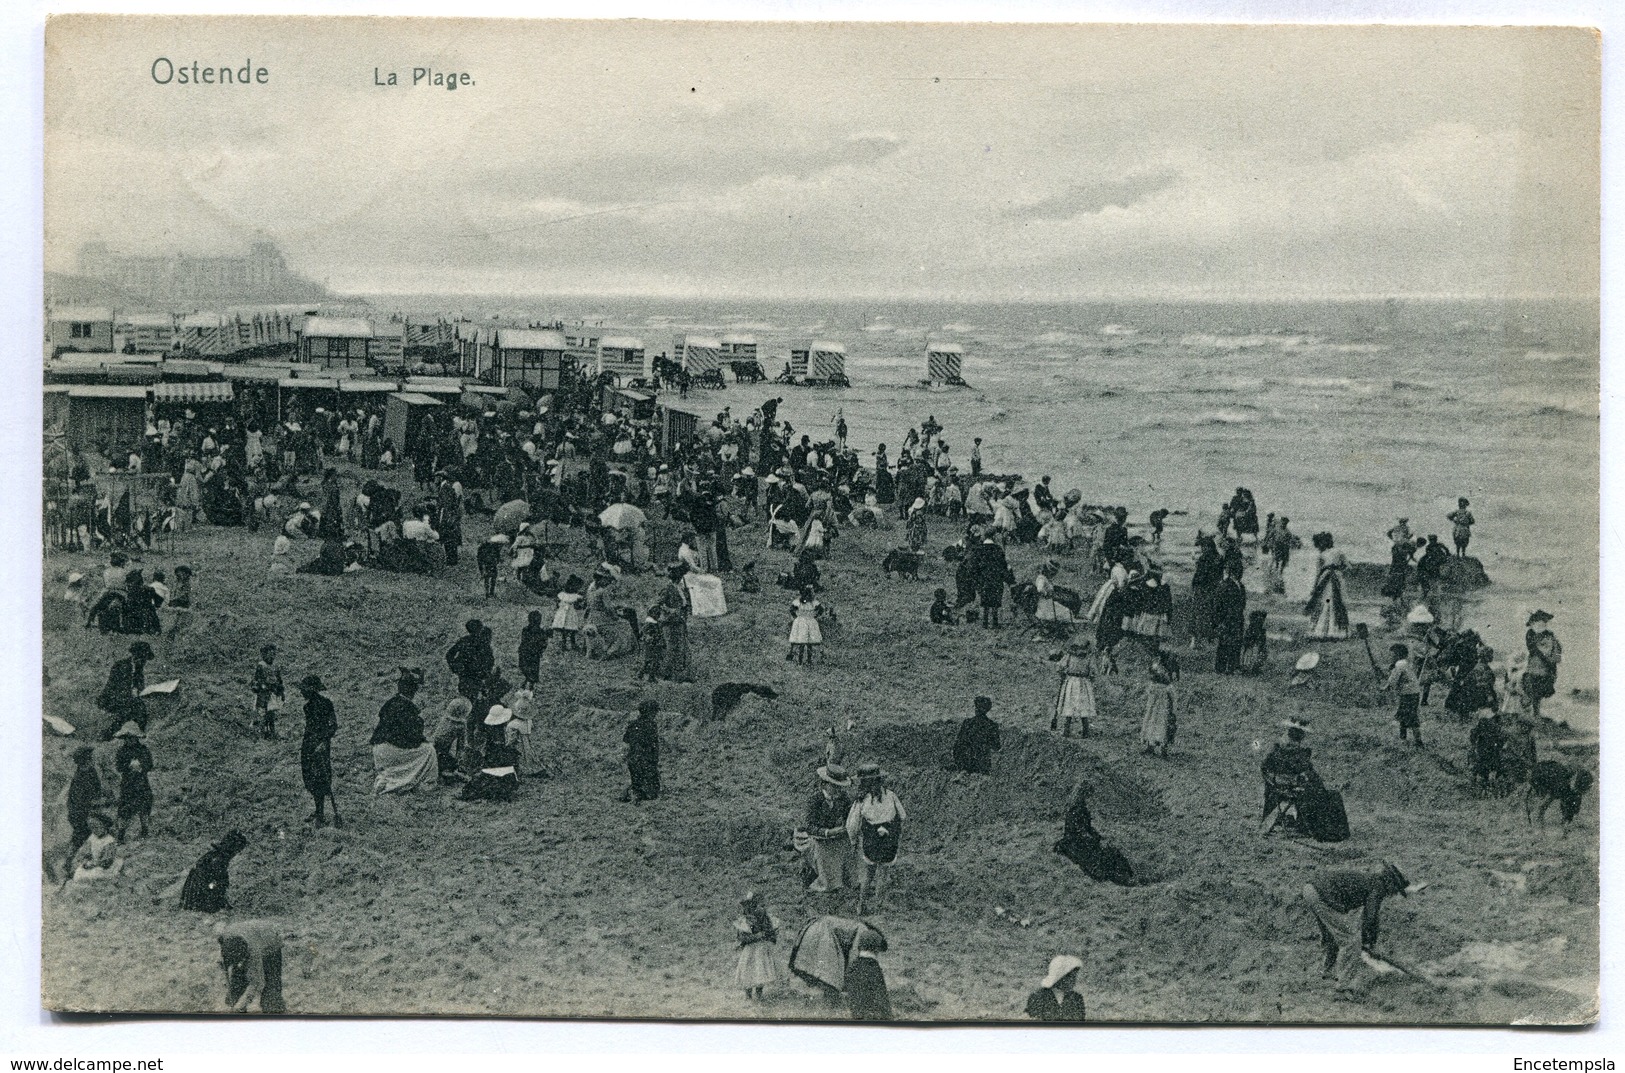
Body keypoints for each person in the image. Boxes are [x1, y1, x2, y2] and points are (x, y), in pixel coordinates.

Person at [1302, 862, 1420, 990]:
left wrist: (1370, 941)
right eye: (1396, 889)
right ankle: (1344, 988)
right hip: (1322, 895)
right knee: (1351, 940)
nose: (1394, 893)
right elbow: (1370, 917)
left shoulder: (1371, 881)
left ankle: (1327, 972)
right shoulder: (1378, 887)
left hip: (1311, 890)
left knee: (1333, 935)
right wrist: (1367, 941)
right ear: (1390, 883)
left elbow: (1369, 917)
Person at [846, 762, 906, 913]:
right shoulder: (891, 796)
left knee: (868, 873)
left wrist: (853, 841)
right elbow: (903, 815)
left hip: (871, 840)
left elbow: (852, 825)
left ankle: (861, 904)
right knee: (883, 874)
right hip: (889, 839)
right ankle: (879, 905)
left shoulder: (861, 801)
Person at [370, 670, 438, 794]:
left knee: (396, 766)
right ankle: (420, 784)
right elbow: (411, 736)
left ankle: (386, 780)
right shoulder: (406, 707)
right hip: (391, 750)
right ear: (412, 690)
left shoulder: (391, 702)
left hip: (379, 750)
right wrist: (423, 739)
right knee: (429, 750)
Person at [798, 764, 857, 900]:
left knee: (849, 845)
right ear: (824, 785)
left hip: (836, 836)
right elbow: (809, 825)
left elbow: (849, 816)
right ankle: (827, 881)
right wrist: (827, 832)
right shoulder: (814, 800)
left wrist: (845, 827)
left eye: (839, 786)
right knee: (822, 851)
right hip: (816, 837)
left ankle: (849, 879)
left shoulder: (843, 798)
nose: (837, 790)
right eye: (834, 786)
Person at [1260, 719, 1323, 833]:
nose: (1296, 739)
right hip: (1278, 784)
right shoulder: (1276, 749)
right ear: (1288, 733)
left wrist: (1307, 776)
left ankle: (1306, 823)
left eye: (1299, 736)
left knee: (1316, 789)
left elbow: (1307, 769)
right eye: (1293, 735)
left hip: (1294, 784)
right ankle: (1300, 824)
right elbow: (1265, 769)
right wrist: (1280, 780)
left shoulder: (1302, 752)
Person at [216, 920, 286, 1014]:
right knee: (237, 981)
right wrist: (222, 962)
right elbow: (219, 928)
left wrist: (241, 1005)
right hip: (251, 933)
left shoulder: (254, 952)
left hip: (271, 942)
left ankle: (273, 1012)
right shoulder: (224, 937)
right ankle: (234, 1009)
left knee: (270, 984)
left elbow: (257, 983)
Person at [297, 674, 340, 827]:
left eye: (304, 689)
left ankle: (321, 814)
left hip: (321, 745)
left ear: (312, 690)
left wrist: (323, 742)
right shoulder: (307, 707)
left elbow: (333, 725)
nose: (301, 692)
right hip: (308, 745)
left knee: (320, 777)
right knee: (309, 776)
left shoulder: (326, 704)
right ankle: (318, 810)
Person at [180, 830, 249, 913]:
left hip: (195, 890)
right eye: (238, 849)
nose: (237, 853)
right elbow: (214, 883)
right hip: (200, 893)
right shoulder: (218, 859)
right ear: (233, 847)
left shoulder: (214, 855)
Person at [733, 892, 785, 1001]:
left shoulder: (764, 917)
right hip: (750, 949)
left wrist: (767, 936)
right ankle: (748, 995)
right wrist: (756, 936)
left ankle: (759, 994)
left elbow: (770, 932)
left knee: (760, 971)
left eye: (760, 905)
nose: (758, 908)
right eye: (754, 905)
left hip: (761, 948)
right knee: (748, 971)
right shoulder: (744, 920)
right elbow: (741, 937)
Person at [97, 642, 151, 739]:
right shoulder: (121, 666)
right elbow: (114, 687)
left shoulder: (139, 670)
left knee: (138, 707)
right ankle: (108, 735)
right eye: (142, 658)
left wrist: (141, 692)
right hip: (111, 698)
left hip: (126, 698)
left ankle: (137, 731)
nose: (144, 662)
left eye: (145, 660)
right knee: (131, 709)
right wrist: (132, 695)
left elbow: (139, 686)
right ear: (136, 656)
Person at [112, 722, 154, 841]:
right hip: (128, 783)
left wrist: (141, 766)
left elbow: (150, 765)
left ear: (136, 738)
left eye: (132, 738)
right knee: (124, 808)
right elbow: (119, 767)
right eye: (127, 738)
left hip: (141, 782)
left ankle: (144, 831)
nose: (129, 740)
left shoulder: (143, 749)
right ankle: (121, 835)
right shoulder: (121, 751)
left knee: (144, 806)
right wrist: (129, 766)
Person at [1305, 533, 1350, 640]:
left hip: (1328, 579)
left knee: (1329, 602)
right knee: (1332, 602)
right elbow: (1348, 567)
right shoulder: (1336, 552)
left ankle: (1326, 631)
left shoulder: (1325, 554)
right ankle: (1333, 631)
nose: (1320, 545)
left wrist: (1314, 587)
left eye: (1321, 543)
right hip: (1332, 579)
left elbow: (1318, 573)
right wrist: (1338, 571)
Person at [1050, 639, 1097, 738]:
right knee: (1083, 706)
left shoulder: (1069, 656)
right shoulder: (1088, 657)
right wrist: (1090, 678)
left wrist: (1063, 674)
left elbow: (1059, 667)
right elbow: (1093, 671)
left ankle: (1067, 731)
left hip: (1071, 682)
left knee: (1069, 705)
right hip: (1083, 683)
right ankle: (1085, 731)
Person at [1140, 646, 1180, 758]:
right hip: (1159, 705)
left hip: (1160, 706)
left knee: (1158, 724)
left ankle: (1159, 749)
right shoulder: (1164, 686)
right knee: (1157, 724)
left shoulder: (1161, 685)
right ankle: (1154, 748)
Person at [65, 746, 103, 862]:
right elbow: (78, 800)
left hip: (89, 811)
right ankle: (69, 861)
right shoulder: (79, 778)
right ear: (84, 761)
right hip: (79, 813)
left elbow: (97, 790)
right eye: (90, 758)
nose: (93, 760)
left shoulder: (92, 771)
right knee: (79, 837)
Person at [845, 928, 893, 1021]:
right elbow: (881, 996)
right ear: (876, 948)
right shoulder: (874, 968)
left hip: (856, 1014)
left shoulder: (853, 966)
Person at [1523, 611, 1562, 720]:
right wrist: (1546, 658)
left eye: (1545, 621)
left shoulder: (1549, 634)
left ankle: (1536, 713)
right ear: (1534, 622)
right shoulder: (1530, 633)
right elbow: (1532, 649)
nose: (1543, 623)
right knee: (1534, 688)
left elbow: (1557, 647)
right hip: (1536, 665)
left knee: (1542, 689)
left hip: (1547, 667)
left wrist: (1554, 658)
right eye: (1540, 620)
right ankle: (1534, 712)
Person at [1383, 643, 1424, 746]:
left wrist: (1386, 687)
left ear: (1398, 654)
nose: (1390, 657)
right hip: (1413, 693)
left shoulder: (1400, 664)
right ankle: (1405, 739)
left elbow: (1393, 680)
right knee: (1404, 716)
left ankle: (1417, 742)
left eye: (1392, 655)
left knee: (1410, 718)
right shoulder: (1405, 663)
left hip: (1408, 694)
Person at [1025, 955, 1087, 1021]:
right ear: (1060, 977)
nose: (1074, 980)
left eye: (1074, 977)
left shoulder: (1077, 999)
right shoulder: (1038, 997)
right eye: (1070, 977)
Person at [622, 699, 662, 803]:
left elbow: (626, 739)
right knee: (652, 790)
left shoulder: (633, 724)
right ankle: (635, 794)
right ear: (649, 712)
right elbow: (653, 743)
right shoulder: (651, 725)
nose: (655, 714)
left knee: (638, 782)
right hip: (645, 759)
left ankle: (633, 793)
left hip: (634, 759)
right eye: (654, 712)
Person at [951, 696, 1002, 775]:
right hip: (982, 764)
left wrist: (959, 762)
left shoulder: (967, 723)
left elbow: (958, 745)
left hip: (967, 764)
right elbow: (996, 746)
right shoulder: (992, 725)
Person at [446, 619, 496, 699]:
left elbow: (490, 660)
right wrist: (455, 666)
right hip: (466, 676)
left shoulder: (484, 644)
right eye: (478, 629)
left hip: (477, 676)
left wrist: (486, 673)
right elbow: (449, 655)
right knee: (468, 698)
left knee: (474, 699)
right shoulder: (465, 641)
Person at [1213, 563, 1248, 674]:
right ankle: (1221, 668)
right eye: (1239, 570)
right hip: (1227, 619)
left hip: (1237, 618)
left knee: (1236, 643)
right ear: (1233, 572)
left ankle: (1233, 667)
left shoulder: (1240, 586)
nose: (1241, 573)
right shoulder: (1225, 585)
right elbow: (1218, 605)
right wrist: (1219, 621)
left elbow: (1243, 602)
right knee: (1224, 643)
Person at [251, 643, 285, 741]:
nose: (272, 656)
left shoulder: (275, 666)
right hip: (264, 693)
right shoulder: (261, 665)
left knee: (272, 713)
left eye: (274, 654)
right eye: (270, 654)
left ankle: (272, 733)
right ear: (264, 654)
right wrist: (262, 686)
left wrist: (281, 691)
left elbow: (279, 680)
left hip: (273, 693)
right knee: (262, 713)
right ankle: (261, 734)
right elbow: (257, 679)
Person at [787, 586, 824, 665]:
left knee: (806, 642)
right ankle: (804, 660)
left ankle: (805, 661)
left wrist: (796, 617)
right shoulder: (804, 602)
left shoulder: (810, 602)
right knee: (804, 642)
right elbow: (821, 610)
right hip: (805, 621)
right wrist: (815, 616)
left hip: (804, 621)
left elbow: (791, 610)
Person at [518, 610, 548, 688]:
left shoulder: (526, 629)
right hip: (533, 652)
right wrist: (541, 649)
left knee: (526, 667)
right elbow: (544, 642)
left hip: (526, 652)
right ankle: (530, 681)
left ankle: (529, 681)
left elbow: (523, 641)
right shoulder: (540, 631)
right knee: (532, 668)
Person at [476, 533, 507, 597]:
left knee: (487, 578)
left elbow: (479, 557)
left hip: (486, 563)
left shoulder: (484, 547)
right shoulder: (494, 547)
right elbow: (497, 556)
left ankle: (488, 592)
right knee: (492, 578)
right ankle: (490, 592)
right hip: (490, 563)